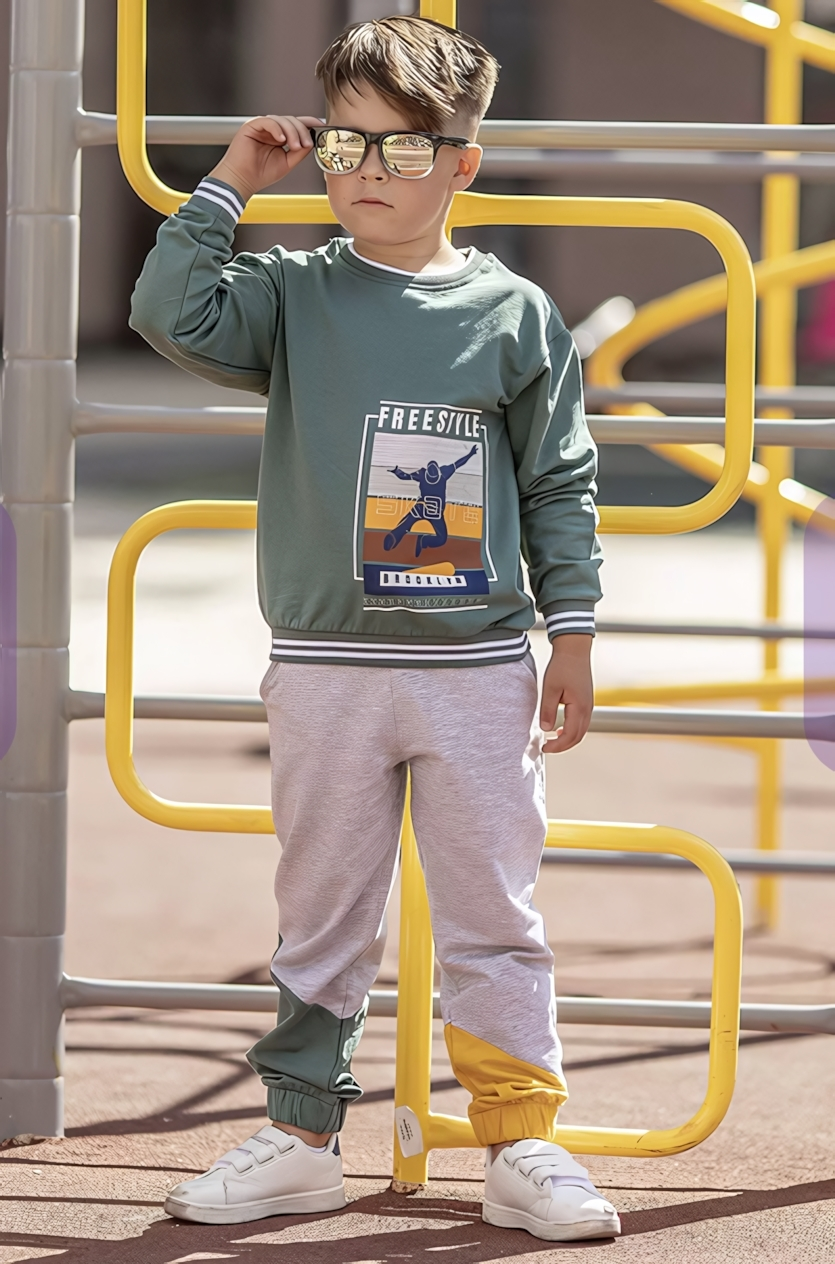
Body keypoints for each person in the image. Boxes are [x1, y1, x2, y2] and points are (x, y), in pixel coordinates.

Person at [130, 14, 616, 1245]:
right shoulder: (292, 295)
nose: (364, 171)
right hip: (326, 669)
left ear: (462, 163)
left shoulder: (515, 316)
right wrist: (233, 181)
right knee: (321, 914)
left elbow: (559, 483)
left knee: (494, 913)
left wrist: (571, 631)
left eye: (401, 148)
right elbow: (168, 309)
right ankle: (300, 1139)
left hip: (476, 670)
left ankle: (520, 1139)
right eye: (345, 144)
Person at [384, 444, 478, 556]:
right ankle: (423, 540)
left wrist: (397, 471)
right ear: (438, 470)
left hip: (421, 508)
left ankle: (397, 536)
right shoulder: (444, 473)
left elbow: (405, 476)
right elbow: (458, 464)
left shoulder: (421, 474)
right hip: (436, 513)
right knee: (441, 538)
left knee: (406, 524)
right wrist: (470, 454)